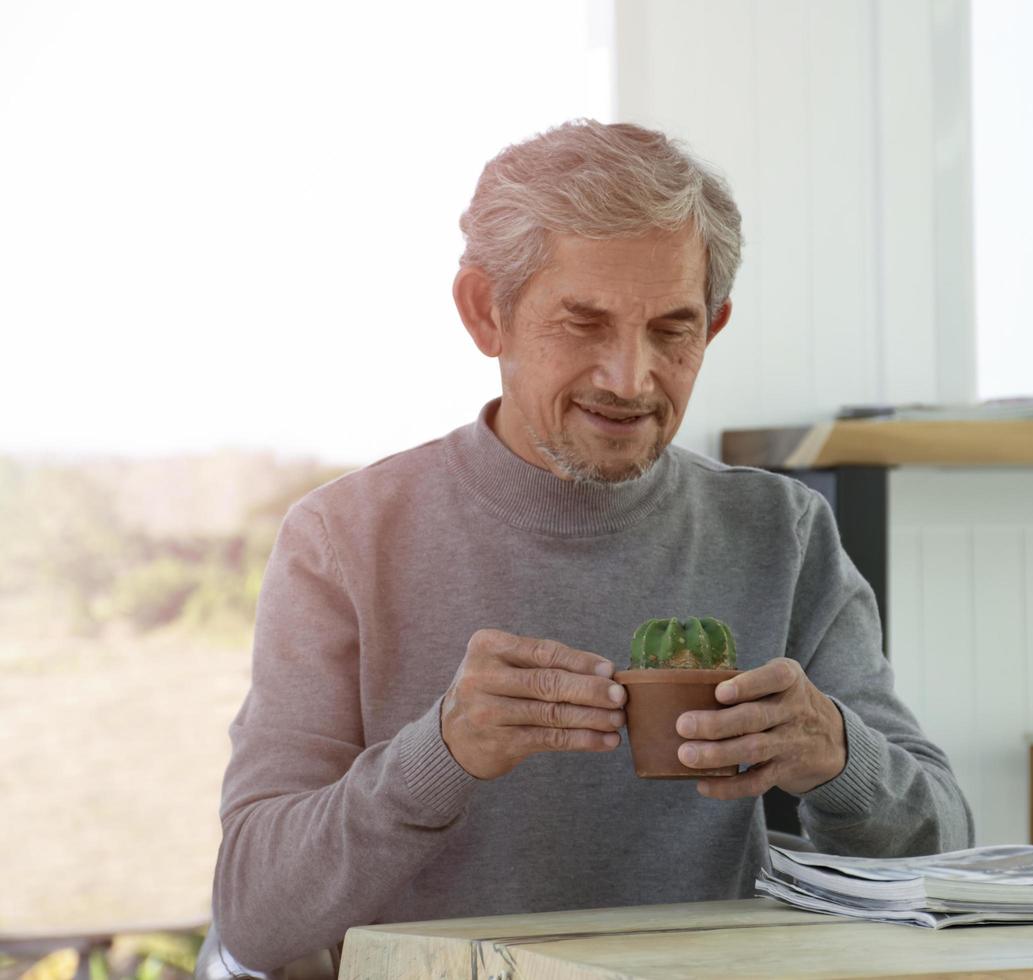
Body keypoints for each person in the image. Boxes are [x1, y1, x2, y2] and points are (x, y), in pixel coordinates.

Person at [208, 119, 973, 976]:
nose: (630, 378)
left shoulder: (781, 533)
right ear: (483, 312)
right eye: (584, 324)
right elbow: (255, 916)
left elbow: (946, 847)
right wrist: (442, 755)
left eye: (671, 330)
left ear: (713, 326)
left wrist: (837, 754)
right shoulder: (343, 540)